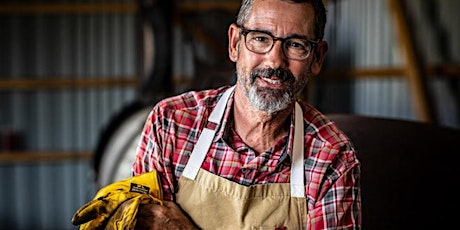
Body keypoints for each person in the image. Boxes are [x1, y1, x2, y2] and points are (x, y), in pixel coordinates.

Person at [131, 0, 361, 229]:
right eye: (260, 39)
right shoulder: (171, 123)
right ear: (234, 43)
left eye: (295, 45)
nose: (275, 61)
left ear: (317, 58)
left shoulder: (332, 156)